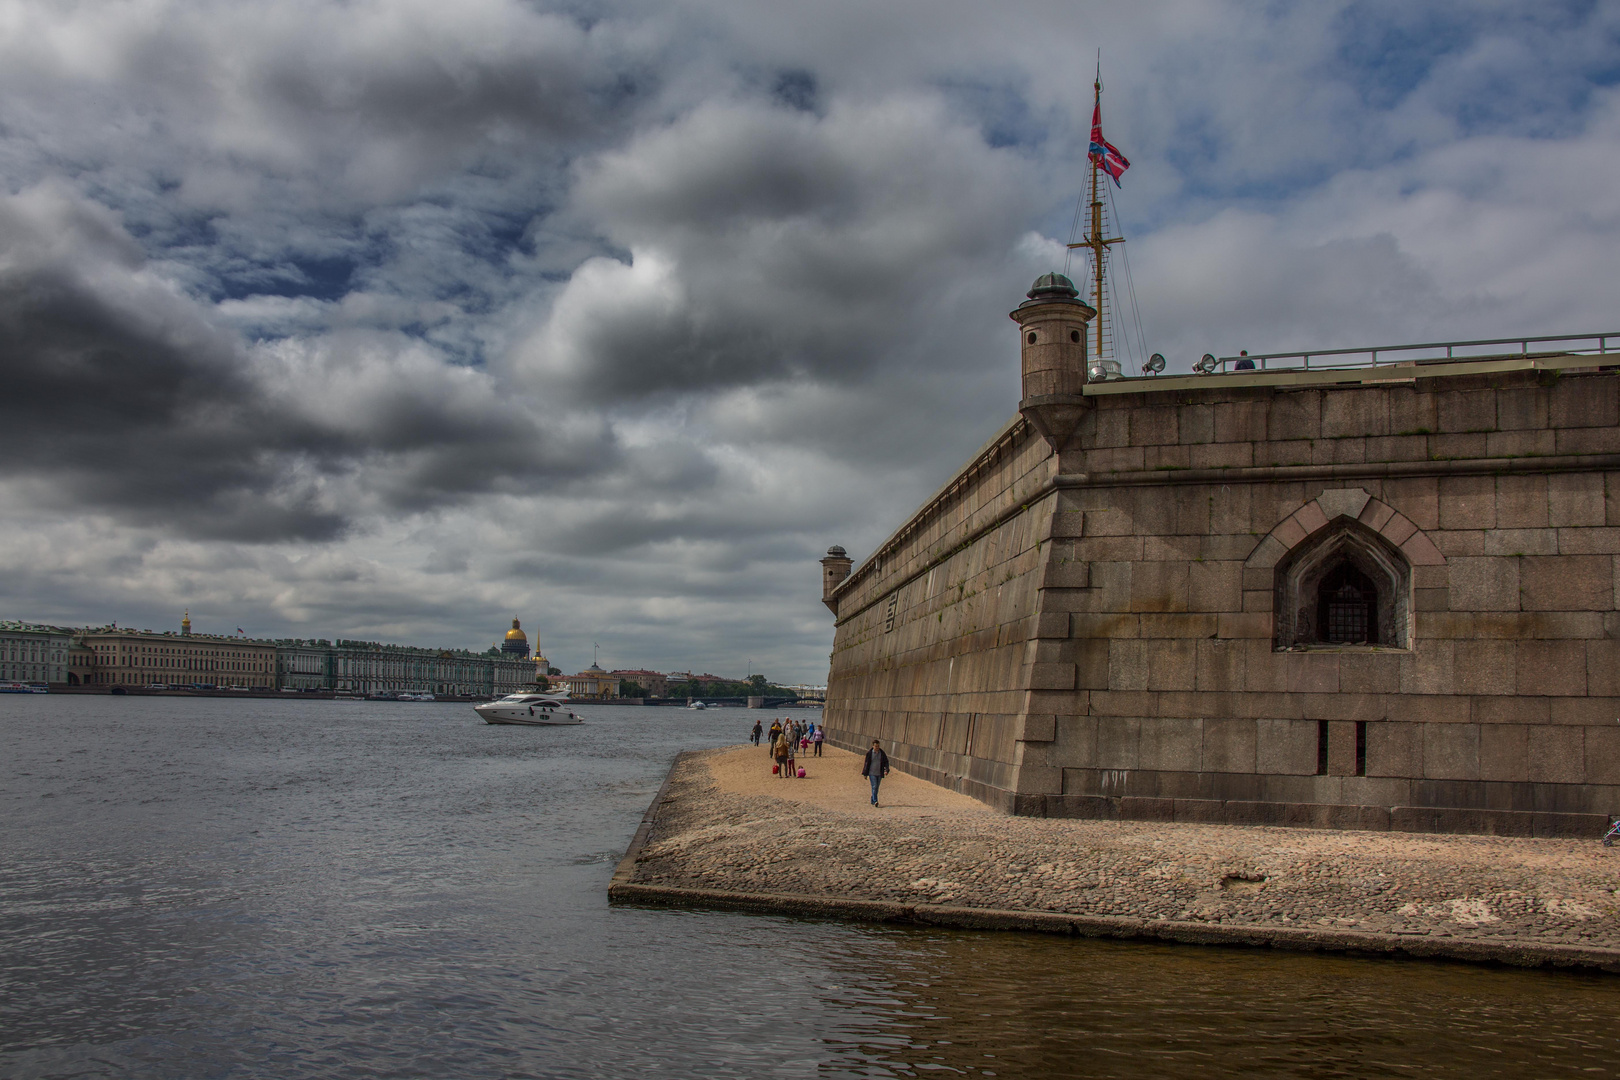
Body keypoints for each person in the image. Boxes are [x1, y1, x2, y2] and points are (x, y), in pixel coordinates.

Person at [861, 738, 890, 806]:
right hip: (872, 773)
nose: (877, 748)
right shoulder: (869, 754)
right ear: (873, 746)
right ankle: (875, 801)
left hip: (879, 773)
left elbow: (886, 762)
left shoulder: (882, 753)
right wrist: (865, 774)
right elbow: (866, 764)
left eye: (878, 746)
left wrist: (886, 770)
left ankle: (872, 799)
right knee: (874, 786)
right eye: (876, 746)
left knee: (877, 787)